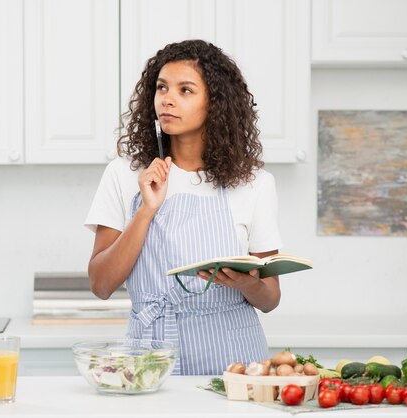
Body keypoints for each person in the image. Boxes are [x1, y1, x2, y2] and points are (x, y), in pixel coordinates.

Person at [84, 39, 282, 375]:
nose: (168, 99)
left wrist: (244, 283)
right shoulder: (125, 173)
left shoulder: (254, 183)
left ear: (215, 104)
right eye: (162, 87)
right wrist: (145, 210)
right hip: (151, 359)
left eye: (185, 90)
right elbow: (101, 285)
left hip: (233, 361)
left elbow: (271, 298)